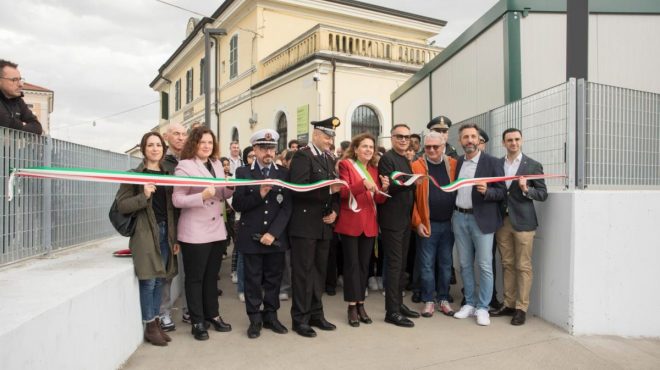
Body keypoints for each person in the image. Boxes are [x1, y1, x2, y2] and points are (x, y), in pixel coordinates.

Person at [172, 127, 234, 340]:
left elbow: (221, 194)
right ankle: (197, 321)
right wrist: (201, 196)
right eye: (202, 142)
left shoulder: (216, 164)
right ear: (194, 144)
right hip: (195, 231)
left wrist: (230, 187)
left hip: (216, 230)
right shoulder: (184, 166)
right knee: (195, 278)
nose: (207, 146)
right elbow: (177, 200)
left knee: (211, 278)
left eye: (210, 142)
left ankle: (213, 315)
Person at [116, 132, 178, 346]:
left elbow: (173, 209)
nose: (155, 149)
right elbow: (122, 206)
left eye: (158, 145)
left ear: (163, 148)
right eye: (150, 145)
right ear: (143, 149)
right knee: (149, 280)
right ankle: (150, 325)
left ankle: (157, 322)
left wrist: (175, 237)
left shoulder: (168, 174)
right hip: (144, 234)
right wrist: (144, 196)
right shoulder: (133, 175)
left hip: (166, 232)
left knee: (161, 279)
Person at [232, 129, 292, 338]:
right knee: (253, 281)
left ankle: (271, 316)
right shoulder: (243, 173)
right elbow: (238, 204)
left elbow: (287, 208)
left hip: (275, 238)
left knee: (274, 280)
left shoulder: (283, 173)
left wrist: (274, 233)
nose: (268, 152)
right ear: (255, 149)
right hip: (251, 237)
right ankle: (254, 319)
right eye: (264, 148)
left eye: (272, 148)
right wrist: (260, 193)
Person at [288, 116, 342, 338]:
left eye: (331, 138)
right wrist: (330, 192)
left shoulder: (328, 159)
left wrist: (335, 210)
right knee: (303, 273)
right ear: (316, 135)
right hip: (304, 225)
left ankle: (316, 314)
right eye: (327, 137)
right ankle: (300, 319)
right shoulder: (303, 156)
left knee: (319, 272)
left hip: (323, 225)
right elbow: (298, 188)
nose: (330, 141)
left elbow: (335, 189)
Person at [490, 128, 548, 325]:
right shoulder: (497, 164)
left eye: (516, 139)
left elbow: (542, 194)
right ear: (503, 143)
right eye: (509, 140)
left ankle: (521, 308)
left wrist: (526, 189)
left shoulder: (532, 165)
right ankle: (509, 304)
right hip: (502, 221)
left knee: (523, 265)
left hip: (523, 222)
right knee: (507, 264)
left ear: (521, 141)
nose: (513, 143)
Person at [452, 123, 506, 326]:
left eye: (473, 136)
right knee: (464, 264)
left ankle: (483, 307)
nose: (469, 140)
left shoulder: (491, 162)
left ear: (479, 139)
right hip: (459, 217)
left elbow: (501, 192)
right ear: (460, 141)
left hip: (481, 219)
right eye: (465, 137)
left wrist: (487, 192)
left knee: (484, 265)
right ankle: (469, 303)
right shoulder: (458, 162)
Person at [334, 133, 390, 327]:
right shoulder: (346, 165)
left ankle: (361, 305)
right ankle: (351, 305)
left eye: (371, 147)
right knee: (352, 266)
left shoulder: (374, 169)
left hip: (369, 223)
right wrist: (361, 184)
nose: (368, 150)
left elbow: (378, 199)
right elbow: (342, 192)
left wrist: (384, 188)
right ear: (356, 149)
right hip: (350, 222)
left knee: (364, 266)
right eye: (364, 146)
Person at [411, 131, 457, 318]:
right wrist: (417, 222)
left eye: (435, 147)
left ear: (443, 146)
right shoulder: (415, 166)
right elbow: (410, 199)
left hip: (449, 224)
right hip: (427, 225)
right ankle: (429, 300)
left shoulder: (453, 165)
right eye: (427, 147)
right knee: (427, 265)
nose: (431, 150)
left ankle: (443, 299)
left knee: (446, 264)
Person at [378, 124, 420, 328]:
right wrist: (413, 182)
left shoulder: (405, 159)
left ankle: (399, 304)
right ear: (392, 138)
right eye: (399, 136)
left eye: (407, 137)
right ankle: (391, 311)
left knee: (402, 265)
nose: (404, 140)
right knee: (394, 266)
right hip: (391, 220)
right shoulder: (387, 158)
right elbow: (389, 187)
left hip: (404, 219)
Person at [159, 123, 188, 331]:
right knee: (168, 272)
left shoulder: (189, 161)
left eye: (184, 134)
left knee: (191, 271)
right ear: (166, 136)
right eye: (176, 134)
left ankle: (189, 310)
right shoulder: (162, 163)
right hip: (169, 224)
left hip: (189, 222)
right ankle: (164, 313)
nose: (181, 137)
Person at [0, 59, 43, 134]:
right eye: (14, 80)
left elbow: (37, 127)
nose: (20, 84)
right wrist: (22, 125)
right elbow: (2, 119)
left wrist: (15, 126)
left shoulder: (18, 101)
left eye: (20, 79)